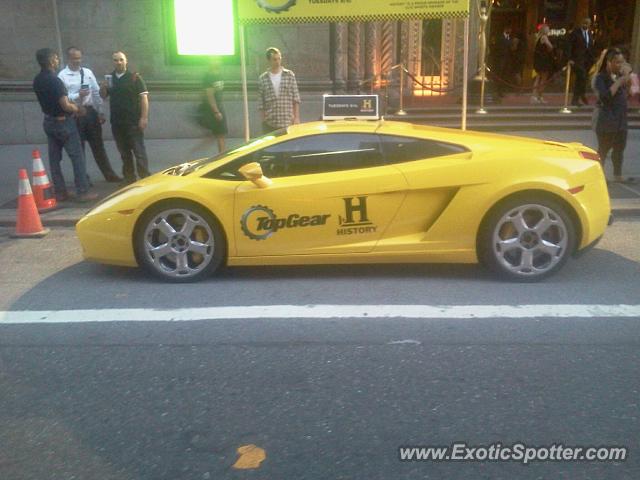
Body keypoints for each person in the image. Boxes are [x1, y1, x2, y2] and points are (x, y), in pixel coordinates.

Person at [32, 48, 97, 202]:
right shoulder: (55, 80)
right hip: (63, 122)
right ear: (49, 61)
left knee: (54, 159)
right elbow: (65, 105)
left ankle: (60, 191)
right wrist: (77, 109)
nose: (57, 60)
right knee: (77, 157)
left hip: (48, 121)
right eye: (55, 58)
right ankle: (82, 191)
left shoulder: (37, 79)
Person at [58, 46, 121, 183]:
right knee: (79, 148)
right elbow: (62, 97)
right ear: (68, 59)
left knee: (98, 146)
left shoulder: (87, 72)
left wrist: (100, 112)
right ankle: (83, 178)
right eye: (74, 58)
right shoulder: (62, 76)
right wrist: (77, 95)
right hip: (75, 113)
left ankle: (109, 174)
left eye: (79, 58)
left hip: (90, 112)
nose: (77, 61)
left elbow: (96, 92)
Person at [100, 51, 150, 184]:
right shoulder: (110, 78)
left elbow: (144, 98)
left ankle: (145, 177)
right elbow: (103, 96)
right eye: (116, 60)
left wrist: (144, 118)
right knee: (124, 152)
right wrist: (103, 87)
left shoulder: (134, 77)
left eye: (121, 60)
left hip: (133, 121)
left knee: (138, 151)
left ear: (126, 61)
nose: (119, 62)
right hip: (117, 122)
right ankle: (129, 178)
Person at [592, 48, 634, 183]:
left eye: (622, 62)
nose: (620, 65)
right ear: (609, 63)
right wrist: (620, 81)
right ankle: (598, 175)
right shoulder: (600, 78)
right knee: (603, 149)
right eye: (617, 62)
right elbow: (606, 97)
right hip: (606, 119)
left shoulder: (619, 77)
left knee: (619, 149)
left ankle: (617, 175)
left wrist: (627, 81)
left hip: (620, 119)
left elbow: (629, 94)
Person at [258, 47, 300, 134]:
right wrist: (263, 119)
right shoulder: (263, 78)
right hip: (270, 122)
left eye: (279, 59)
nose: (277, 62)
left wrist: (296, 118)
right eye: (274, 59)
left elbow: (296, 98)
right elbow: (260, 102)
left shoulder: (289, 75)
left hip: (287, 121)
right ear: (269, 60)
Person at [195, 57, 227, 153]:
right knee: (220, 134)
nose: (217, 61)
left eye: (218, 59)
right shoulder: (208, 77)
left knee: (220, 134)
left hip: (219, 107)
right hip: (213, 109)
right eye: (215, 60)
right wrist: (216, 111)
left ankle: (222, 155)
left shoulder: (219, 74)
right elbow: (210, 95)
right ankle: (222, 157)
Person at [568, 18, 595, 107]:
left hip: (587, 60)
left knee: (582, 79)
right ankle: (579, 97)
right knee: (581, 76)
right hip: (577, 59)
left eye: (587, 24)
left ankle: (579, 96)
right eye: (584, 23)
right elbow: (569, 46)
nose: (585, 25)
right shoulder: (575, 33)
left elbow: (590, 46)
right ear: (581, 23)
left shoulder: (589, 33)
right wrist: (570, 58)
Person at [532, 24, 554, 104]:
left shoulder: (538, 37)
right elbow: (550, 47)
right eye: (548, 29)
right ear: (544, 30)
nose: (549, 30)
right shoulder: (544, 37)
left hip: (539, 60)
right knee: (543, 79)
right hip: (544, 60)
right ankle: (539, 96)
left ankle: (534, 96)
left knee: (538, 78)